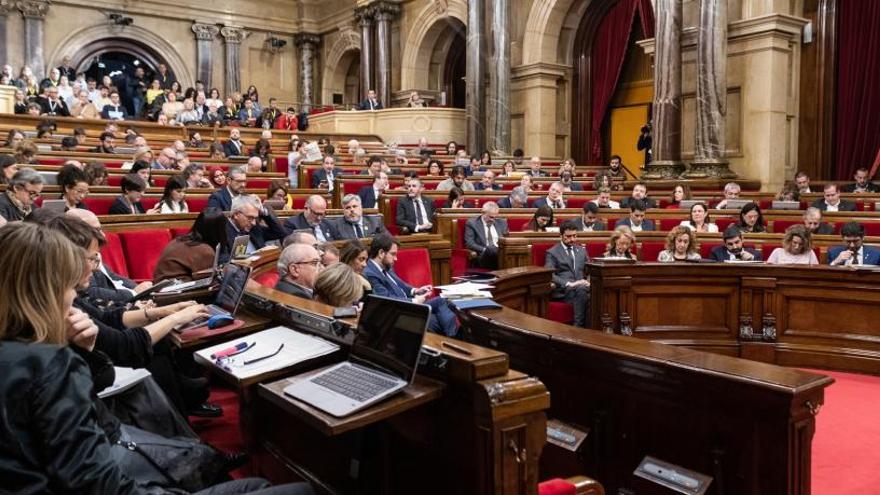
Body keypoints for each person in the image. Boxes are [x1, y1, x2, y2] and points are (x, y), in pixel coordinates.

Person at [363, 234, 459, 336]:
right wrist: (415, 301)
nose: (396, 258)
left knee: (445, 302)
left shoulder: (386, 266)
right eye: (393, 254)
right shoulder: (370, 273)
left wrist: (415, 291)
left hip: (408, 305)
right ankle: (456, 337)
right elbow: (386, 299)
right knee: (439, 314)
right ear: (381, 253)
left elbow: (400, 284)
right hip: (400, 311)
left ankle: (455, 336)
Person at [154, 211, 228, 282]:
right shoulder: (205, 251)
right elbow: (208, 281)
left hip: (161, 287)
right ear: (219, 231)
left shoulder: (177, 240)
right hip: (175, 291)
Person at [544, 220, 590, 327]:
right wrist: (568, 283)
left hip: (582, 288)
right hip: (565, 290)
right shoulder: (552, 252)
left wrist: (588, 281)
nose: (572, 239)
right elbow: (549, 274)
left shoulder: (581, 250)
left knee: (589, 292)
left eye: (574, 236)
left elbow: (591, 269)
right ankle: (579, 327)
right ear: (561, 235)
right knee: (583, 292)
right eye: (568, 236)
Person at [223, 195, 287, 262]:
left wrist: (264, 213)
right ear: (236, 214)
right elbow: (224, 261)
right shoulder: (222, 231)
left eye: (255, 218)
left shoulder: (254, 228)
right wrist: (250, 258)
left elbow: (280, 233)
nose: (254, 223)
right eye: (250, 218)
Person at [464, 202, 509, 269]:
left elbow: (507, 240)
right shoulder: (472, 223)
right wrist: (485, 250)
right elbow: (469, 243)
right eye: (491, 217)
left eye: (495, 217)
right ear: (483, 213)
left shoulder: (502, 223)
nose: (493, 220)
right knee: (491, 249)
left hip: (501, 253)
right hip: (483, 256)